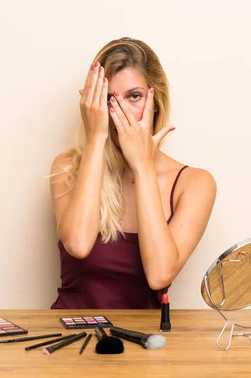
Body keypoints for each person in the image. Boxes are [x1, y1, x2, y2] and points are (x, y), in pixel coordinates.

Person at [49, 37, 216, 309]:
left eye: (134, 96)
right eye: (107, 100)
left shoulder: (195, 184)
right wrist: (95, 139)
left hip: (144, 345)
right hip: (69, 335)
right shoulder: (67, 167)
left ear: (157, 101)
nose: (120, 112)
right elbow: (78, 244)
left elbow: (160, 275)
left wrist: (142, 166)